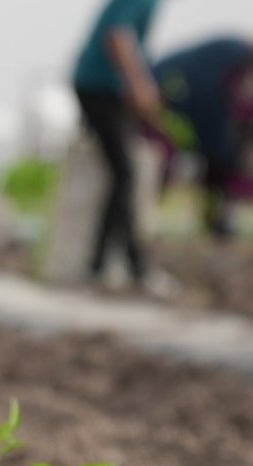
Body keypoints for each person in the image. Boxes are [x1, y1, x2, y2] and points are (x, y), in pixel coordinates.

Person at [150, 36, 253, 240]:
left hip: (215, 124)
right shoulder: (208, 86)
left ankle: (219, 222)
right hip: (202, 116)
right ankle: (217, 222)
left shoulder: (242, 94)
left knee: (225, 165)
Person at [72, 0, 166, 291]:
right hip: (98, 88)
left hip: (105, 89)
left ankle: (116, 264)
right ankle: (112, 265)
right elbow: (117, 35)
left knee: (120, 174)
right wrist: (139, 84)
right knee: (124, 173)